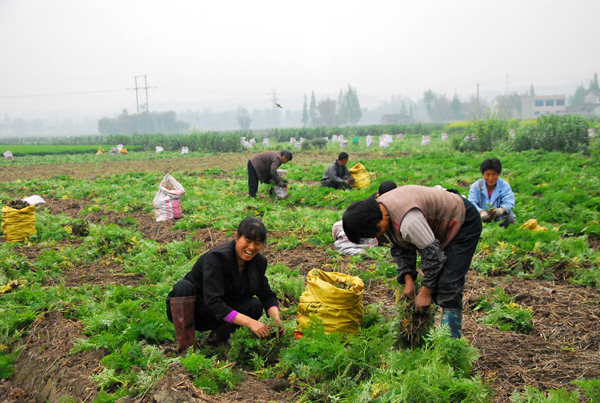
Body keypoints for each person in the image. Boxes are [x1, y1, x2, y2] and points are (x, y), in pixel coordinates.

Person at [342, 185, 482, 338]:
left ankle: (451, 342)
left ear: (376, 223)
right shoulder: (380, 211)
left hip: (462, 220)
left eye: (373, 234)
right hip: (437, 227)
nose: (375, 238)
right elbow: (400, 246)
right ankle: (428, 335)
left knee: (448, 283)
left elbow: (434, 257)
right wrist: (408, 279)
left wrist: (426, 292)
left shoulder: (408, 221)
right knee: (434, 284)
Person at [166, 217, 284, 352]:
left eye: (257, 243)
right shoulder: (217, 258)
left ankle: (216, 340)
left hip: (218, 315)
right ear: (236, 237)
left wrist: (276, 319)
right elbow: (213, 302)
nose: (251, 247)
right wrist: (251, 323)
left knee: (254, 306)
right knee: (183, 287)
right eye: (248, 240)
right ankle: (186, 348)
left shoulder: (258, 262)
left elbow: (266, 294)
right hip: (196, 310)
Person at [468, 158, 516, 227]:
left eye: (494, 174)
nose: (491, 178)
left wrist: (501, 210)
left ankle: (506, 232)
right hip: (480, 217)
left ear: (498, 174)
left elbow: (509, 201)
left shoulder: (504, 185)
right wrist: (481, 212)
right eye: (487, 174)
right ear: (483, 174)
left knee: (510, 216)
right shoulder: (476, 186)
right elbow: (471, 202)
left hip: (499, 217)